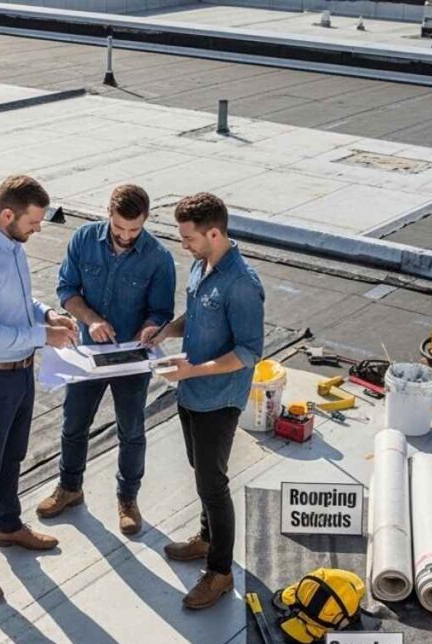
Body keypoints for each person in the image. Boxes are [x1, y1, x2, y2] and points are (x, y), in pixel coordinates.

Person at [0, 175, 79, 600]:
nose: (37, 229)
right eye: (33, 222)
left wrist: (47, 317)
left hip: (18, 373)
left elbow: (21, 305)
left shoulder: (11, 247)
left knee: (12, 457)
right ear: (7, 214)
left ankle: (7, 526)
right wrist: (44, 338)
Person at [36, 184, 176, 535]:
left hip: (131, 359)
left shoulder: (158, 258)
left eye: (135, 230)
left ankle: (127, 499)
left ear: (145, 221)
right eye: (119, 229)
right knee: (73, 424)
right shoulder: (83, 240)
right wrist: (92, 320)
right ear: (108, 215)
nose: (126, 236)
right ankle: (70, 488)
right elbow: (67, 290)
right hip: (89, 356)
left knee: (131, 431)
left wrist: (149, 328)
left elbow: (161, 311)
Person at [153, 193, 265, 610]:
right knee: (200, 470)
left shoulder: (243, 284)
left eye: (188, 238)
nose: (184, 245)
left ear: (214, 233)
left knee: (213, 485)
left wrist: (193, 371)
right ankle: (206, 537)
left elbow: (248, 352)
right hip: (191, 391)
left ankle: (220, 571)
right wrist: (166, 332)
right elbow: (196, 317)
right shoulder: (202, 266)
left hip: (218, 399)